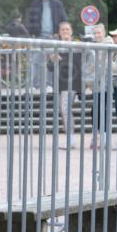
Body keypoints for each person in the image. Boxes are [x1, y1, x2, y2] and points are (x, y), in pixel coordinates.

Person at [49, 21, 83, 149]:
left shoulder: (77, 46)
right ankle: (70, 138)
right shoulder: (56, 46)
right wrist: (52, 60)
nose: (65, 32)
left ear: (72, 31)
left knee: (65, 108)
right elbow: (50, 67)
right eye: (62, 30)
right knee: (63, 110)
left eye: (67, 29)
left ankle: (71, 140)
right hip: (60, 82)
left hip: (72, 82)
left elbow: (77, 64)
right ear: (59, 32)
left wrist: (61, 60)